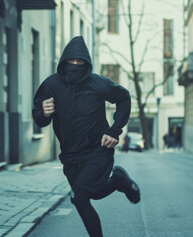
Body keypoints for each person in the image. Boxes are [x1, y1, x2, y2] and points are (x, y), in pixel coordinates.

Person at [32, 36, 141, 237]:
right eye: (71, 62)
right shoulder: (51, 85)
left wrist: (114, 130)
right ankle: (118, 181)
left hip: (98, 150)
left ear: (86, 63)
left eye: (79, 62)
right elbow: (39, 119)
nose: (75, 66)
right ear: (63, 62)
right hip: (70, 156)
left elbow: (124, 98)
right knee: (95, 193)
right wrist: (43, 112)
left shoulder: (97, 84)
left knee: (79, 196)